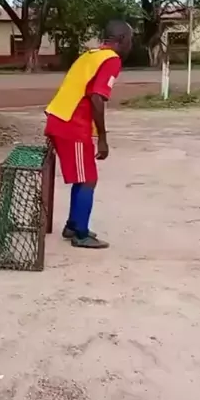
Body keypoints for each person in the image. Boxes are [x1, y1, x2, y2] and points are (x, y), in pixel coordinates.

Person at [45, 20, 133, 249]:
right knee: (88, 179)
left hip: (60, 119)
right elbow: (96, 98)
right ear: (122, 39)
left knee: (83, 177)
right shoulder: (111, 60)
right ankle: (80, 234)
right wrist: (102, 138)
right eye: (130, 39)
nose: (131, 45)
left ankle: (73, 225)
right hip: (71, 124)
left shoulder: (91, 55)